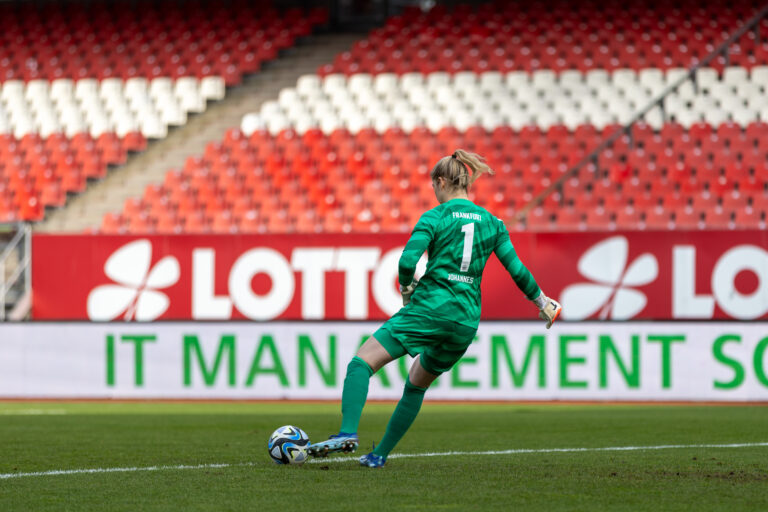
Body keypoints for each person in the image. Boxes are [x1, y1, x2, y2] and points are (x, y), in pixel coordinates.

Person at [307, 149, 562, 468]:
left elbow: (406, 263)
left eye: (433, 187)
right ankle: (378, 455)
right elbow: (517, 271)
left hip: (430, 309)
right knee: (416, 384)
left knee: (361, 363)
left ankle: (347, 433)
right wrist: (543, 302)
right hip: (465, 322)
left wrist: (407, 288)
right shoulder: (493, 223)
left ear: (441, 182)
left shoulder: (435, 217)